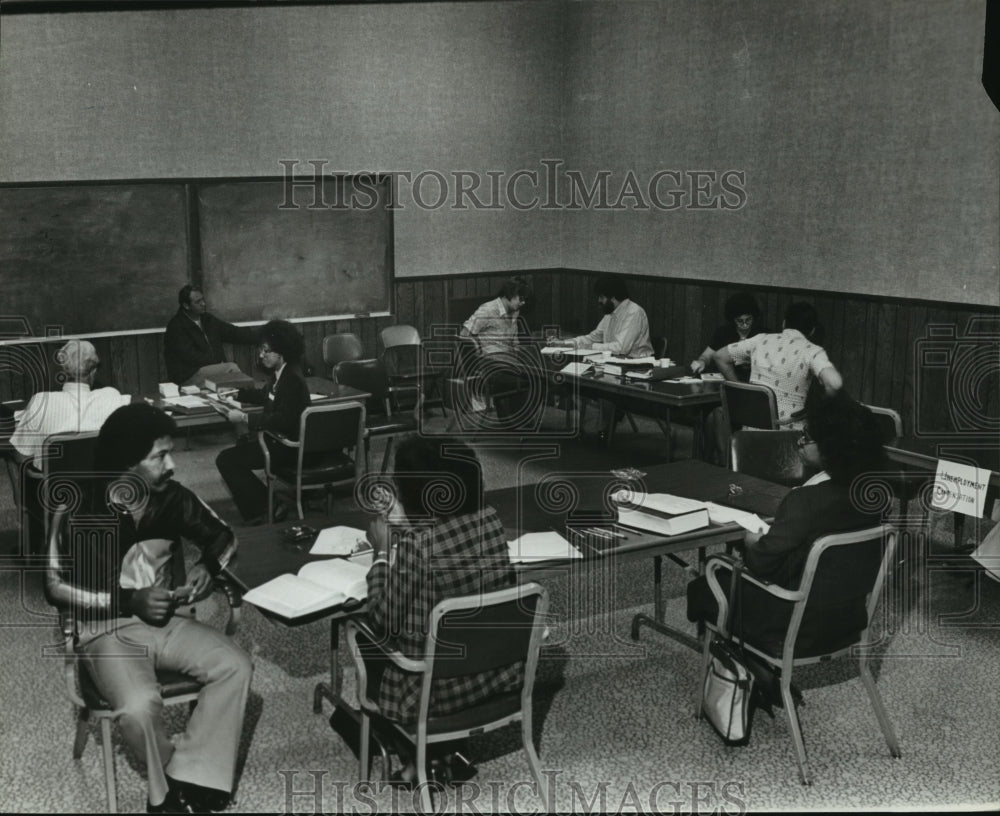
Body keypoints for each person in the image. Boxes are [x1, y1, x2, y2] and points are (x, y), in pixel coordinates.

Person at [44, 403, 252, 814]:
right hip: (106, 629)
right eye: (160, 455)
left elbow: (225, 538)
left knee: (236, 665)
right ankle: (167, 792)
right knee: (138, 706)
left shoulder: (174, 497)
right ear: (128, 463)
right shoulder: (74, 506)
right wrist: (127, 600)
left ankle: (187, 777)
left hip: (169, 622)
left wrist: (207, 567)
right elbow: (52, 586)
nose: (172, 464)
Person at [364, 435, 518, 784]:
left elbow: (381, 621)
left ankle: (416, 757)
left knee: (365, 639)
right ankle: (447, 752)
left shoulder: (417, 547)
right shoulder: (490, 520)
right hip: (493, 677)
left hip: (433, 693)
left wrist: (383, 554)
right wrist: (413, 527)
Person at [686, 390, 888, 653]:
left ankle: (729, 664)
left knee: (707, 581)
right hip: (848, 620)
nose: (800, 442)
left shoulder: (805, 500)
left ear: (832, 445)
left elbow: (760, 564)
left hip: (794, 625)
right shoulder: (876, 495)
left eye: (807, 437)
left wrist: (753, 541)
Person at [215, 320, 309, 524]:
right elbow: (265, 396)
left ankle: (267, 508)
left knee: (226, 460)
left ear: (281, 351)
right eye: (261, 350)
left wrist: (244, 418)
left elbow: (282, 420)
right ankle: (267, 504)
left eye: (265, 351)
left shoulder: (291, 379)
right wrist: (236, 393)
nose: (260, 355)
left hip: (285, 445)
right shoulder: (283, 372)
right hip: (277, 440)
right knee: (235, 454)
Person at [713, 300, 843, 427]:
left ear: (784, 323)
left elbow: (720, 357)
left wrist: (741, 389)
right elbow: (834, 382)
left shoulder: (760, 339)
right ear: (812, 330)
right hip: (787, 433)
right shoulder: (812, 351)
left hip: (751, 430)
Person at [10, 339, 130, 466]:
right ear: (93, 371)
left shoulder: (41, 402)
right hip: (101, 483)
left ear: (63, 370)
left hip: (53, 485)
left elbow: (21, 457)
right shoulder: (112, 397)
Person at [163, 285, 258, 386]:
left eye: (203, 299)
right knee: (231, 368)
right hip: (188, 376)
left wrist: (262, 336)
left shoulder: (207, 319)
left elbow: (233, 332)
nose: (203, 304)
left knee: (230, 373)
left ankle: (246, 395)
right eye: (198, 302)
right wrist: (218, 362)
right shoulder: (176, 326)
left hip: (210, 370)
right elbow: (190, 357)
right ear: (186, 306)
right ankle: (249, 395)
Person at [548, 275, 654, 358]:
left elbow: (620, 348)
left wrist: (591, 347)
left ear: (613, 297)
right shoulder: (611, 313)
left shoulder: (634, 312)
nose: (599, 301)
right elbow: (593, 337)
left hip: (637, 367)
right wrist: (565, 343)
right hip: (615, 362)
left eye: (602, 297)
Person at [690, 291, 765, 380]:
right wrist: (701, 362)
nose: (745, 324)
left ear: (754, 316)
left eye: (748, 319)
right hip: (728, 380)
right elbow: (706, 356)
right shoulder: (724, 332)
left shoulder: (762, 333)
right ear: (732, 319)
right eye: (740, 321)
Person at [459, 276, 531, 356]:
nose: (523, 302)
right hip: (490, 363)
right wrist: (477, 352)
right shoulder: (488, 309)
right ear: (510, 294)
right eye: (521, 298)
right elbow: (464, 334)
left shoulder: (515, 312)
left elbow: (515, 343)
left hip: (509, 361)